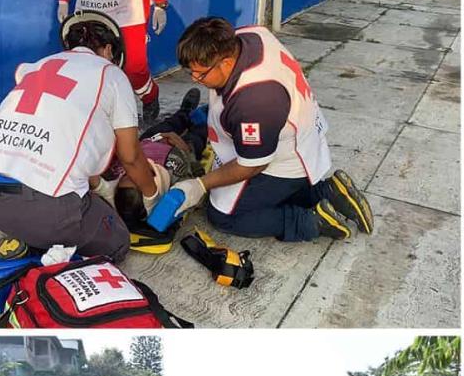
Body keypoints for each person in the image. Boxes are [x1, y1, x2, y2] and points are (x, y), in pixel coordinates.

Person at [149, 17, 374, 242]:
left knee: (224, 215)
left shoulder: (254, 100)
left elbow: (253, 165)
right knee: (241, 193)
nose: (195, 79)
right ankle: (330, 192)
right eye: (190, 72)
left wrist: (199, 185)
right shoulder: (247, 37)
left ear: (226, 63)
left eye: (200, 74)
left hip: (283, 162)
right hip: (293, 136)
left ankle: (310, 221)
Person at [0, 11, 165, 261]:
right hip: (43, 207)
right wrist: (152, 196)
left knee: (62, 199)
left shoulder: (39, 66)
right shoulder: (110, 74)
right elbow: (131, 156)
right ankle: (40, 248)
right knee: (117, 242)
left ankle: (27, 235)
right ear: (109, 50)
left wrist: (101, 186)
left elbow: (65, 141)